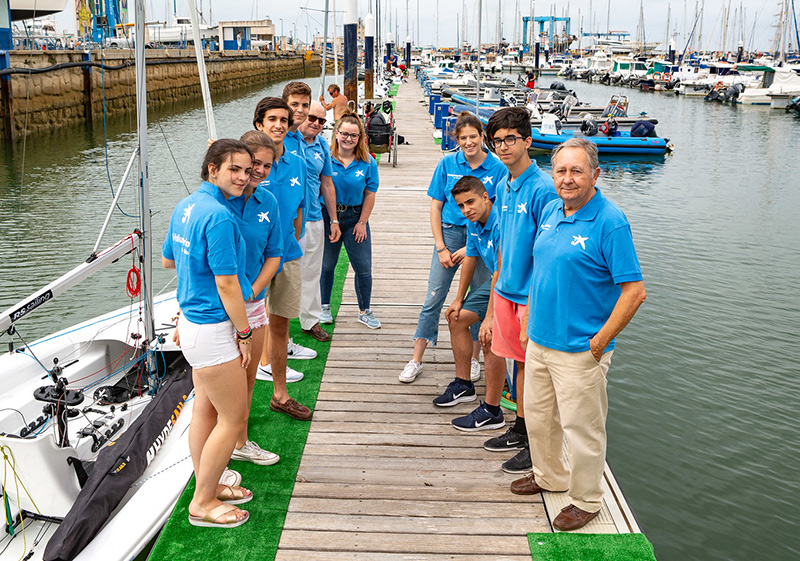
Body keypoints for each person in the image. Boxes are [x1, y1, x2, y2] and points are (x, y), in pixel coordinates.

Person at [510, 138, 646, 532]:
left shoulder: (610, 221)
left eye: (576, 171)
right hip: (539, 340)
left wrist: (600, 341)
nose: (567, 179)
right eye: (561, 171)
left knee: (582, 430)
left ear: (595, 175)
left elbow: (634, 292)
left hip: (580, 350)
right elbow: (542, 267)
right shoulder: (552, 209)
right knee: (539, 419)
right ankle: (549, 475)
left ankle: (586, 499)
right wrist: (529, 317)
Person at [162, 139, 254, 528]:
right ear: (212, 169)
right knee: (233, 419)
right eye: (234, 169)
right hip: (213, 328)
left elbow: (169, 260)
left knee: (206, 409)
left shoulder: (186, 206)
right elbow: (228, 284)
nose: (243, 177)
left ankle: (208, 483)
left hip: (192, 324)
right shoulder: (218, 216)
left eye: (248, 170)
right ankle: (202, 502)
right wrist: (245, 333)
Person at [399, 112, 507, 384]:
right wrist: (441, 247)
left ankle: (473, 360)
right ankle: (417, 358)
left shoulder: (497, 168)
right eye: (463, 138)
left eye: (473, 137)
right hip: (449, 235)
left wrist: (471, 249)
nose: (469, 142)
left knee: (476, 300)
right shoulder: (447, 163)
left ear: (483, 137)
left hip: (483, 239)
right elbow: (436, 206)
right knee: (434, 296)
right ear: (456, 140)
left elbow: (498, 210)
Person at [481, 106, 558, 474]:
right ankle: (520, 428)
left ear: (528, 140)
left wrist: (534, 301)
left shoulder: (543, 189)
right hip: (506, 289)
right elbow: (501, 242)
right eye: (497, 141)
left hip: (529, 295)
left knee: (533, 371)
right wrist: (497, 284)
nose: (503, 147)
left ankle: (535, 443)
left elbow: (548, 252)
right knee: (518, 367)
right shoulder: (502, 184)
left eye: (510, 139)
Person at [224, 131, 284, 465]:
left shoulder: (269, 202)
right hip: (218, 305)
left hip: (253, 303)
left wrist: (254, 288)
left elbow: (274, 254)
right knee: (216, 383)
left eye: (266, 165)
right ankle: (216, 442)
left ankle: (240, 442)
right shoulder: (219, 200)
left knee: (247, 378)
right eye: (253, 164)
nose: (258, 171)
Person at [252, 97, 313, 420]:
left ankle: (280, 393)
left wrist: (293, 236)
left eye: (284, 120)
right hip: (252, 259)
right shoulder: (245, 161)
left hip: (287, 253)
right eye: (272, 119)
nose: (278, 125)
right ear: (259, 123)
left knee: (280, 324)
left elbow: (300, 207)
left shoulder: (298, 163)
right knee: (245, 326)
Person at [441, 176, 506, 432]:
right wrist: (458, 299)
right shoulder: (472, 222)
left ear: (485, 197)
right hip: (494, 282)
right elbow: (470, 258)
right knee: (456, 318)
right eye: (461, 205)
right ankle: (464, 384)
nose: (466, 209)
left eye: (471, 202)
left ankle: (492, 410)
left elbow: (502, 271)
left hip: (513, 286)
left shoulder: (500, 222)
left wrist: (489, 318)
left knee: (488, 337)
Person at [319, 112, 380, 329]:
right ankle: (324, 307)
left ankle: (364, 310)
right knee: (327, 265)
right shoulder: (325, 158)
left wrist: (362, 222)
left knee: (363, 267)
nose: (348, 138)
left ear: (360, 137)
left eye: (354, 135)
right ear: (336, 134)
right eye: (344, 133)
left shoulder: (367, 162)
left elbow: (370, 193)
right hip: (328, 216)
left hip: (355, 217)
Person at [297, 101, 340, 342]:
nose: (316, 123)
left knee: (312, 272)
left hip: (313, 217)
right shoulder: (286, 141)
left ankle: (310, 320)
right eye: (312, 118)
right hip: (284, 221)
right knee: (276, 273)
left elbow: (327, 184)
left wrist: (333, 219)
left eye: (322, 120)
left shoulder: (322, 145)